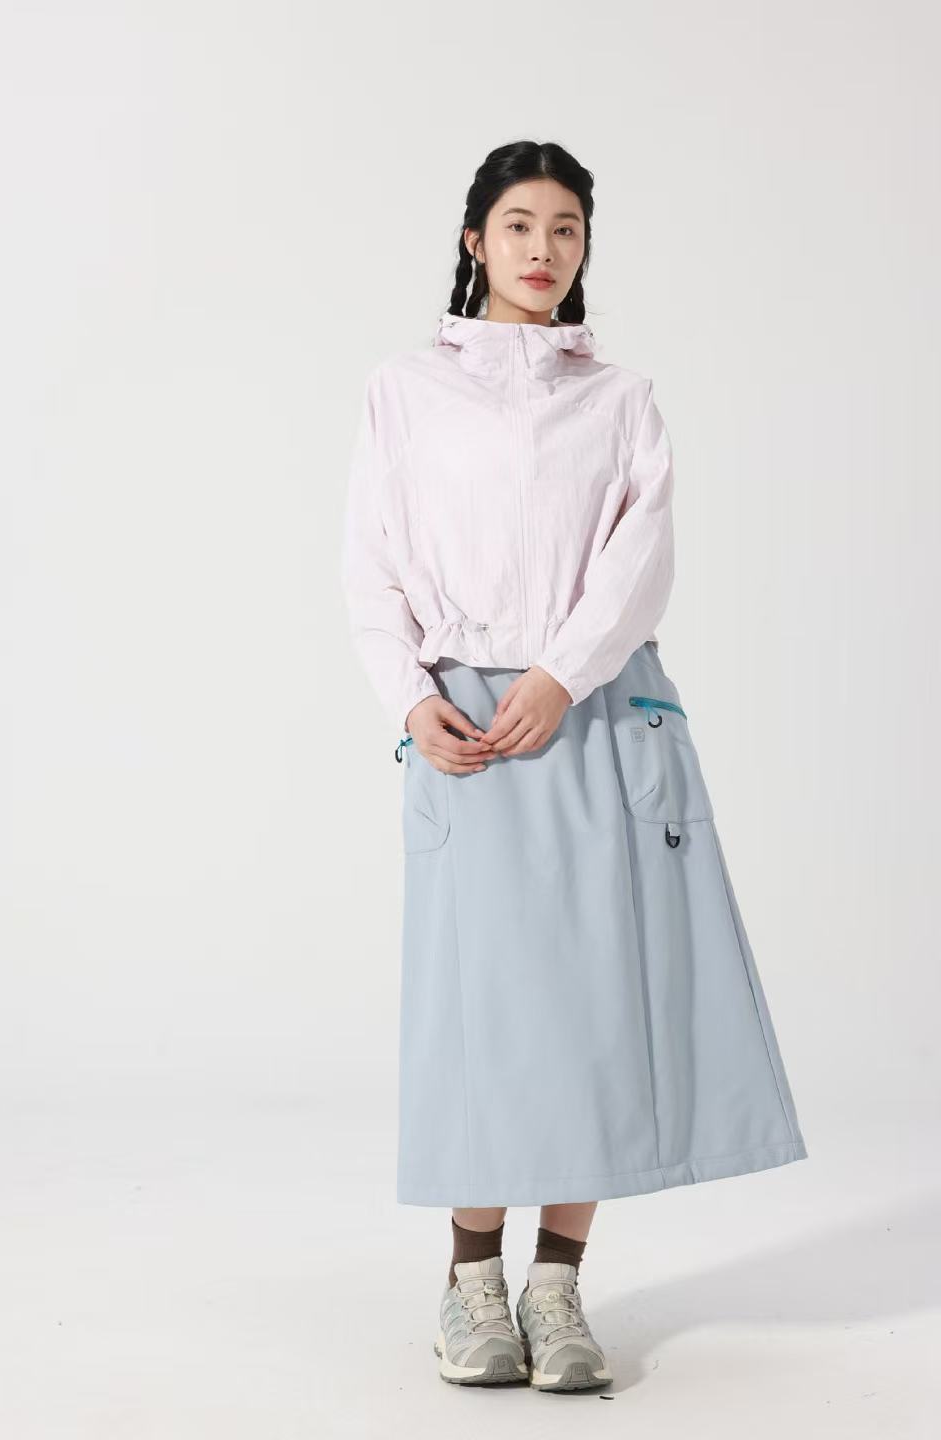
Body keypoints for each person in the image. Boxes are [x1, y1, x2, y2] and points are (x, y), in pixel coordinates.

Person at [340, 139, 808, 1394]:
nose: (543, 249)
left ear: (585, 246)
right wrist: (410, 698)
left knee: (600, 1003)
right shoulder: (403, 391)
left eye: (566, 229)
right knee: (480, 1013)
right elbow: (369, 562)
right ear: (475, 241)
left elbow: (641, 561)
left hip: (595, 710)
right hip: (466, 726)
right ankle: (469, 1286)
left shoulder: (621, 400)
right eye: (519, 225)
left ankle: (556, 1289)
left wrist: (562, 672)